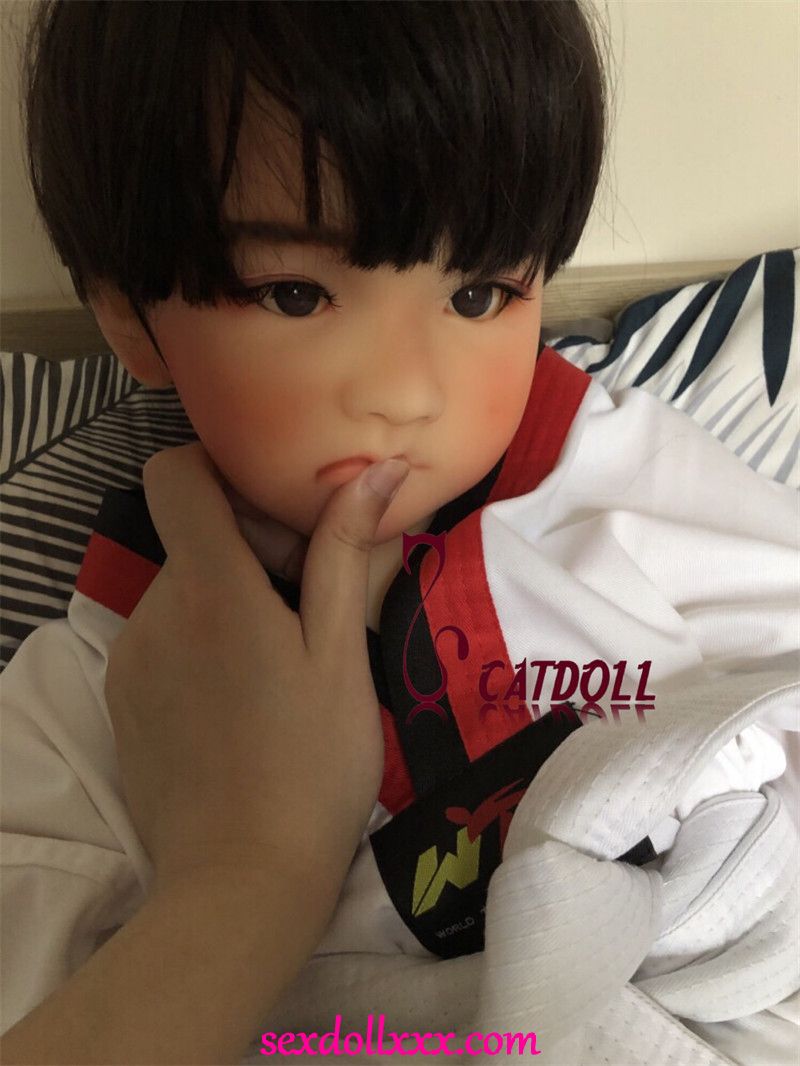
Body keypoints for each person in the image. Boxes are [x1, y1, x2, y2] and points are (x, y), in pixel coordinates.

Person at [1, 2, 797, 1064]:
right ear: (128, 320)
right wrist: (243, 877)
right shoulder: (107, 675)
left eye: (479, 293)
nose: (408, 392)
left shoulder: (614, 474)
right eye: (295, 295)